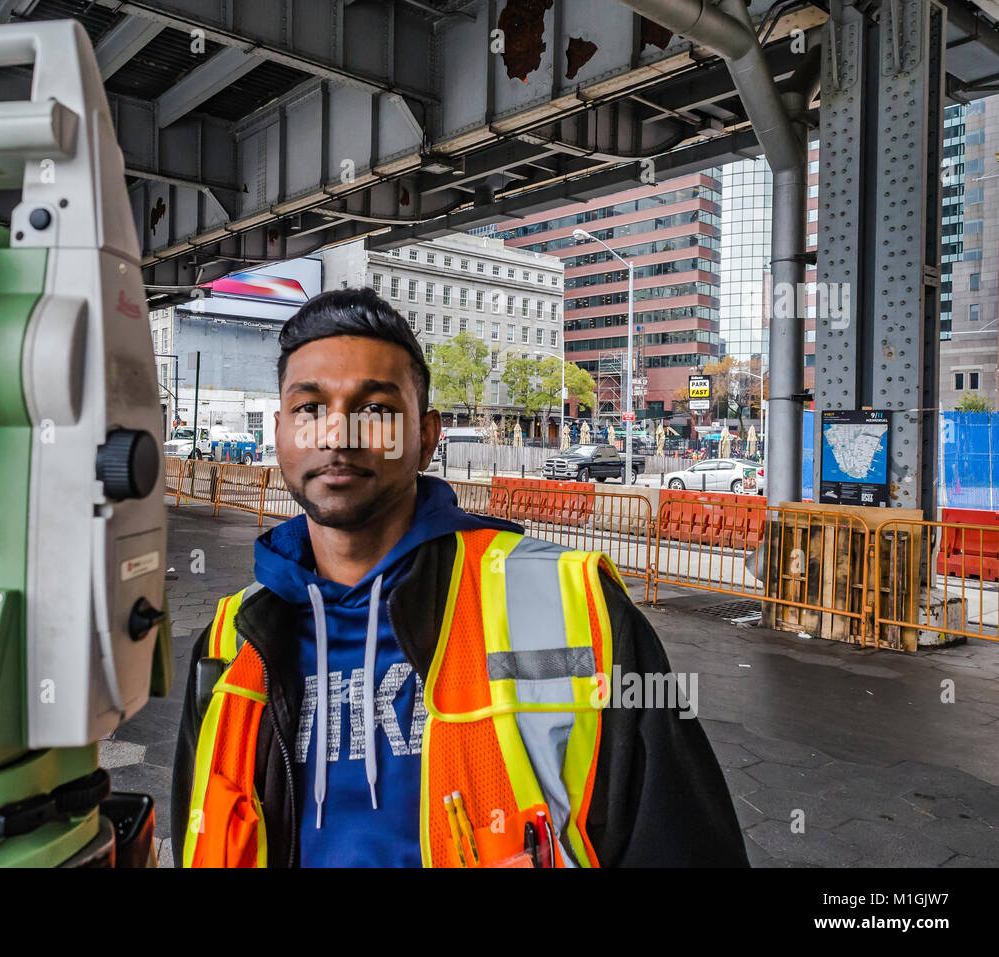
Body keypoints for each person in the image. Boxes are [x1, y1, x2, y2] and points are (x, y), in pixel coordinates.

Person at [171, 288, 747, 868]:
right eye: (309, 408)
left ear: (427, 437)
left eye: (375, 409)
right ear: (280, 432)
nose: (337, 435)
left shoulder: (578, 613)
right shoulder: (227, 647)